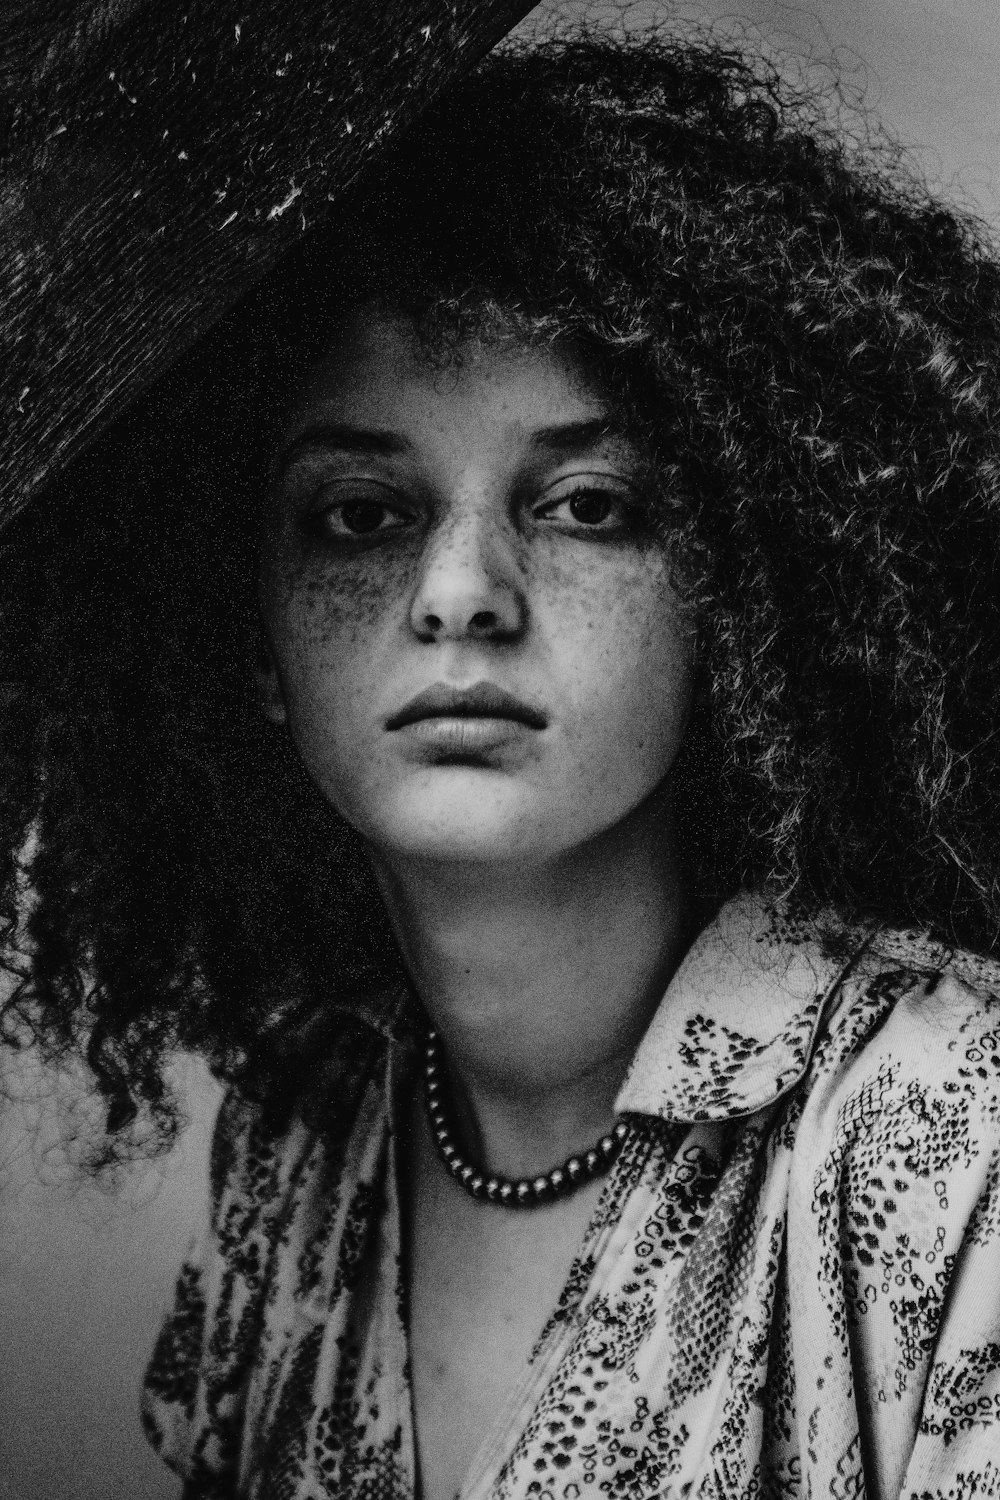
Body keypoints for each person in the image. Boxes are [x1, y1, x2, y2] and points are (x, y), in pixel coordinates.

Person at [2, 27, 1000, 1500]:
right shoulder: (299, 1147)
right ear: (254, 641)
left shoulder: (948, 1132)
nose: (461, 592)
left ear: (733, 596)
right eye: (359, 514)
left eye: (586, 505)